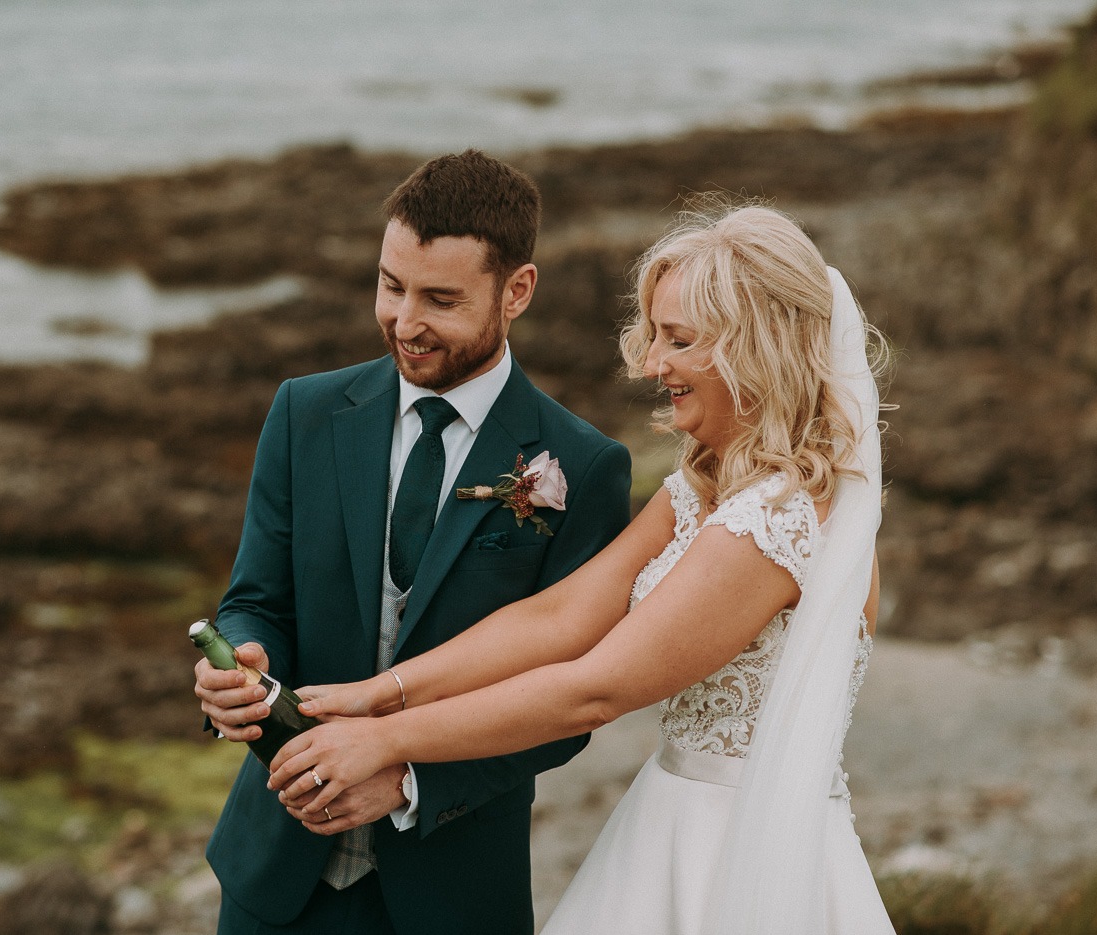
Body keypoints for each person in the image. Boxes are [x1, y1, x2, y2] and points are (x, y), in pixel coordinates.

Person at [266, 203, 897, 934]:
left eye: (679, 340)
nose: (653, 362)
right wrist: (379, 693)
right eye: (655, 334)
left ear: (756, 348)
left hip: (738, 851)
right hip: (668, 813)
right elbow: (559, 617)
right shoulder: (705, 487)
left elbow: (594, 689)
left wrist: (385, 741)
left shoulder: (776, 521)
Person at [194, 149, 633, 935]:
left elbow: (568, 706)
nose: (404, 321)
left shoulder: (586, 465)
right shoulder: (304, 412)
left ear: (517, 291)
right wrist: (243, 660)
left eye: (440, 298)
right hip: (275, 880)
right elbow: (255, 600)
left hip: (453, 895)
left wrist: (407, 780)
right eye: (391, 286)